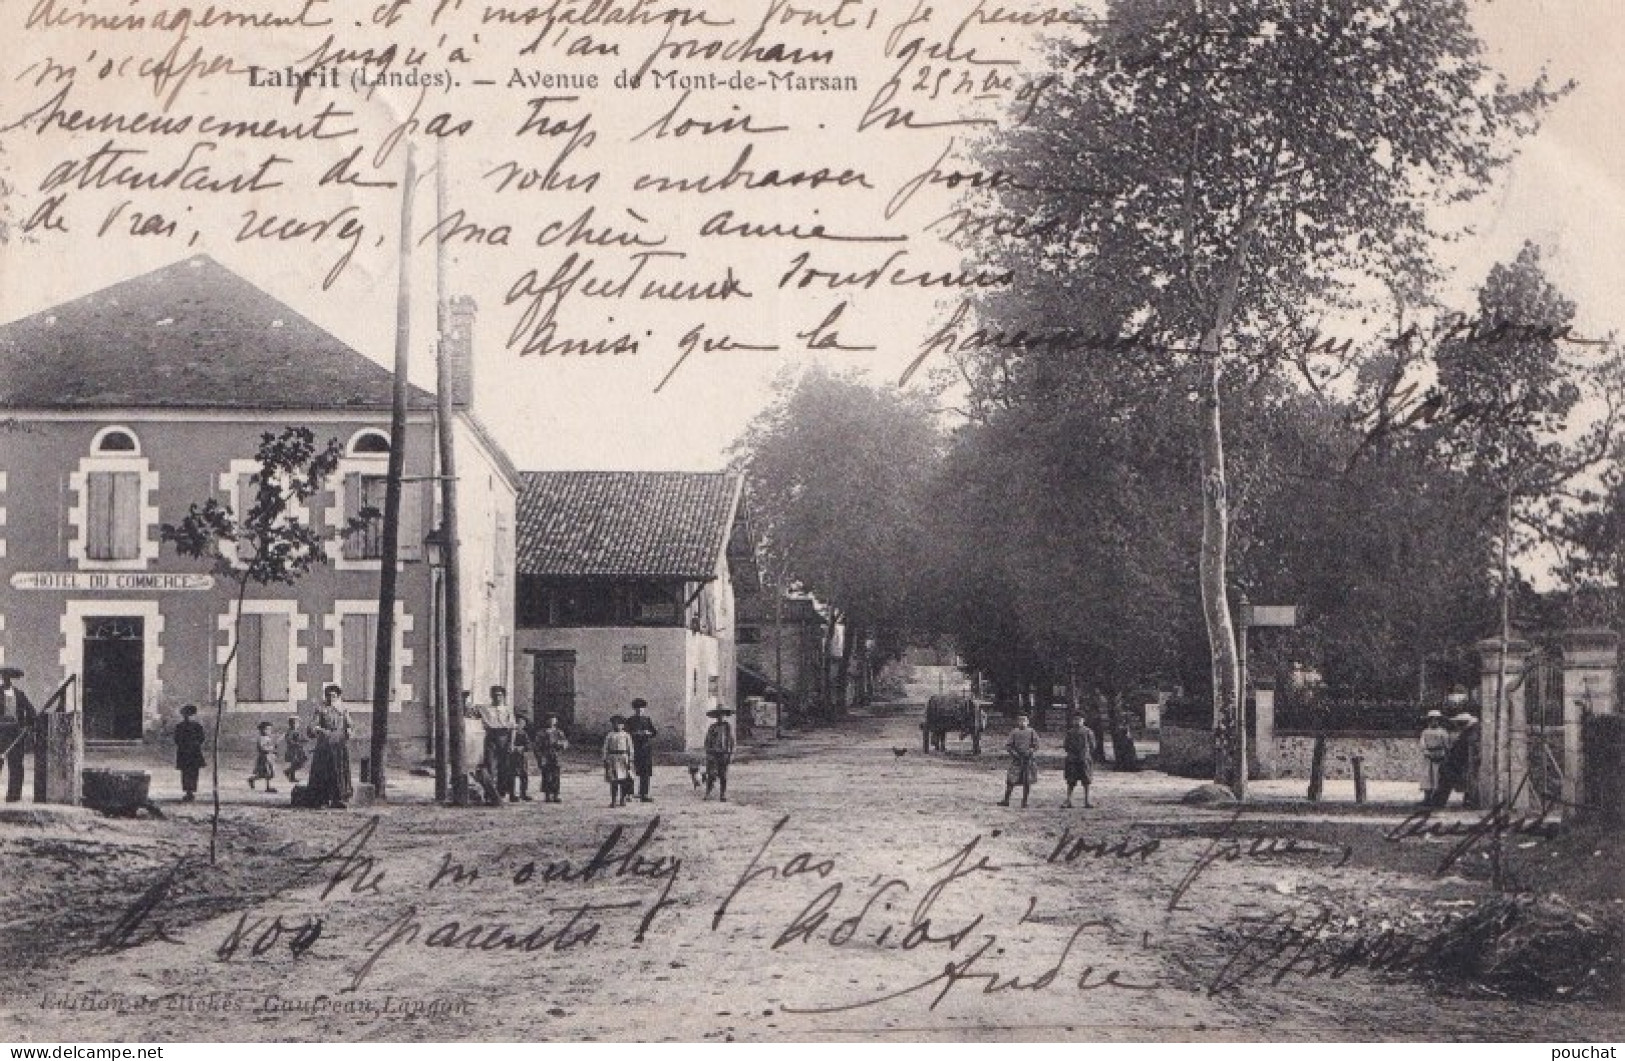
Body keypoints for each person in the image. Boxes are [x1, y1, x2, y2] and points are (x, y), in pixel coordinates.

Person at [306, 684, 353, 809]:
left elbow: (349, 724)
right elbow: (312, 727)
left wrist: (349, 730)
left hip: (339, 745)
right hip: (324, 746)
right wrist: (319, 729)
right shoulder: (321, 710)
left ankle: (339, 799)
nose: (331, 698)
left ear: (338, 697)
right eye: (328, 695)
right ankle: (322, 800)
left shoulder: (343, 710)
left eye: (334, 696)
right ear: (325, 696)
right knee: (324, 772)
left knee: (339, 771)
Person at [0, 667, 37, 803]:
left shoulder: (19, 694)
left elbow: (31, 711)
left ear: (12, 679)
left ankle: (13, 796)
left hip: (15, 735)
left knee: (16, 766)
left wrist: (28, 725)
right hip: (0, 733)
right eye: (4, 677)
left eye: (9, 677)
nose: (6, 680)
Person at [476, 686, 517, 805]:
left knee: (504, 767)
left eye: (500, 695)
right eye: (495, 695)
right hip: (491, 737)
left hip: (504, 736)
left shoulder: (508, 710)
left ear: (503, 696)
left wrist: (511, 743)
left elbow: (513, 728)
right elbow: (471, 711)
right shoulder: (486, 709)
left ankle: (501, 793)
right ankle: (489, 794)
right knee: (490, 765)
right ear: (491, 696)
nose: (497, 697)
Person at [1000, 714, 1038, 808]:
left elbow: (1036, 744)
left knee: (1027, 781)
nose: (1022, 722)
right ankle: (1006, 800)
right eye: (1020, 720)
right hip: (1017, 760)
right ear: (1017, 722)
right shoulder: (1014, 732)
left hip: (1028, 760)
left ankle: (1024, 802)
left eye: (1024, 720)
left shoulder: (1032, 731)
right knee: (1011, 780)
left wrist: (1030, 751)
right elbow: (1008, 746)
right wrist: (1014, 753)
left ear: (1028, 722)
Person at [625, 698, 659, 802]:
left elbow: (654, 732)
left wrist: (648, 733)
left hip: (645, 749)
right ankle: (629, 794)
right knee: (630, 771)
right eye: (637, 708)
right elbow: (626, 734)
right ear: (634, 709)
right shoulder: (630, 721)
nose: (640, 710)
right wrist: (636, 734)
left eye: (642, 708)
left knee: (645, 773)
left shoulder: (647, 720)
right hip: (634, 749)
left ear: (644, 709)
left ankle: (644, 794)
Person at [174, 704, 207, 803]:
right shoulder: (183, 726)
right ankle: (189, 792)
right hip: (191, 752)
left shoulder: (194, 726)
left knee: (189, 772)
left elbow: (201, 738)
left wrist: (189, 745)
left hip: (189, 752)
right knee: (189, 772)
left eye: (188, 714)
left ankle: (190, 792)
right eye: (185, 714)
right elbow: (177, 739)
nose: (187, 716)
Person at [703, 707, 736, 802]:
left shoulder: (727, 727)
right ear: (716, 717)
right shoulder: (712, 727)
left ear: (725, 716)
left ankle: (723, 794)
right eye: (718, 715)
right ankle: (708, 793)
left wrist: (731, 753)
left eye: (722, 715)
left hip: (724, 753)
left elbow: (731, 741)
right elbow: (707, 740)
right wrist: (708, 752)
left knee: (723, 775)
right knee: (711, 774)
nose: (720, 717)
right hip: (713, 753)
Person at [1063, 714, 1096, 808]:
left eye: (1079, 719)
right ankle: (1069, 800)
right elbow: (1066, 745)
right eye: (1075, 719)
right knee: (1071, 781)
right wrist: (1071, 753)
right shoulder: (1070, 732)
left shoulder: (1088, 732)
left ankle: (1087, 801)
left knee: (1086, 781)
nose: (1077, 721)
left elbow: (1093, 745)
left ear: (1083, 720)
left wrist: (1086, 754)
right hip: (1072, 760)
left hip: (1084, 759)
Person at [1419, 710, 1450, 805]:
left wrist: (1445, 754)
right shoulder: (1425, 732)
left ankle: (1437, 799)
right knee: (1427, 776)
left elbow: (1446, 744)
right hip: (1428, 756)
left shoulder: (1443, 732)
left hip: (1439, 755)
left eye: (1436, 720)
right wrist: (1426, 752)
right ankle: (1427, 798)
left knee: (1438, 777)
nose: (1434, 722)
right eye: (1431, 720)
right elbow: (1422, 743)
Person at [536, 714, 569, 803]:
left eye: (553, 720)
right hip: (546, 756)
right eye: (550, 720)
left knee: (556, 776)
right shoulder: (541, 733)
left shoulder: (559, 732)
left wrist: (561, 744)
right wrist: (540, 758)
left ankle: (555, 795)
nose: (552, 722)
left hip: (556, 756)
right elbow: (537, 747)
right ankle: (547, 795)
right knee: (546, 776)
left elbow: (565, 743)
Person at [603, 715, 633, 807]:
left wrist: (630, 759)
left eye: (619, 724)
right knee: (614, 781)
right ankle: (613, 800)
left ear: (623, 725)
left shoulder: (626, 735)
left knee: (624, 780)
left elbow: (630, 748)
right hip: (613, 758)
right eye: (615, 724)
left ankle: (622, 798)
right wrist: (605, 759)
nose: (617, 726)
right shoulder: (610, 735)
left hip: (623, 757)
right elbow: (605, 748)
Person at [249, 720, 279, 794]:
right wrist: (271, 748)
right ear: (261, 730)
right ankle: (267, 787)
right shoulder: (261, 738)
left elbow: (269, 747)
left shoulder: (268, 738)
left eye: (269, 729)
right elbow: (262, 748)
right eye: (266, 729)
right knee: (266, 773)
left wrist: (274, 750)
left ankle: (253, 780)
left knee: (270, 773)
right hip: (264, 758)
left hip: (269, 758)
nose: (268, 731)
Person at [509, 722, 534, 802]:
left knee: (524, 775)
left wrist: (521, 748)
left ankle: (523, 793)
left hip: (522, 757)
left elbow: (529, 745)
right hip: (511, 758)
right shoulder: (509, 734)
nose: (520, 725)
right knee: (511, 776)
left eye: (522, 723)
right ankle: (512, 795)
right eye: (519, 723)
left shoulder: (523, 733)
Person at [282, 715, 308, 784]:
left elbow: (302, 738)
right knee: (294, 763)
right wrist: (296, 743)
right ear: (290, 724)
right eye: (293, 723)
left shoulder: (298, 731)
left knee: (300, 763)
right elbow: (289, 740)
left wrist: (304, 740)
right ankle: (291, 776)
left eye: (296, 723)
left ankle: (289, 772)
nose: (295, 725)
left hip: (299, 750)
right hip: (293, 750)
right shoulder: (290, 732)